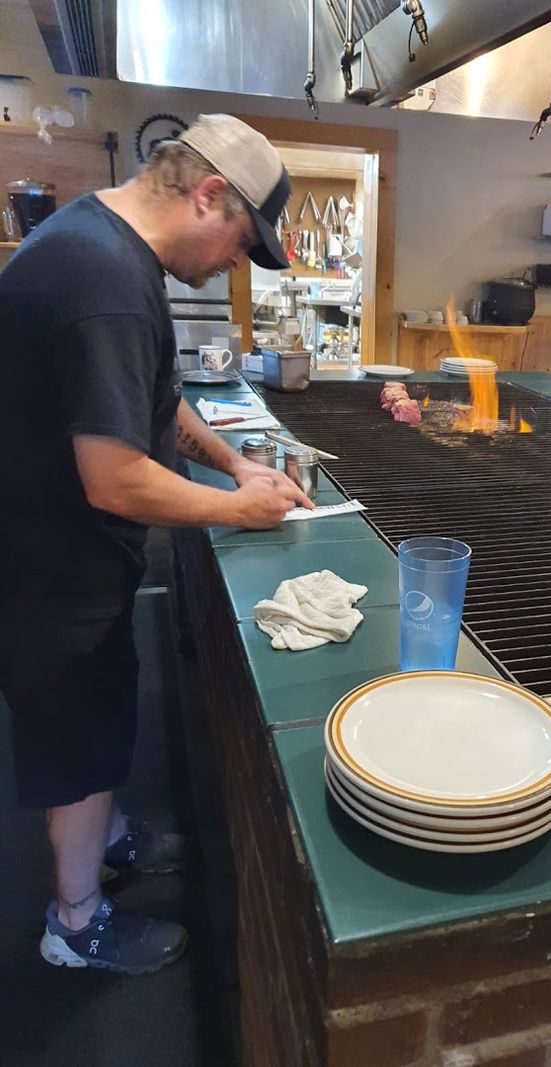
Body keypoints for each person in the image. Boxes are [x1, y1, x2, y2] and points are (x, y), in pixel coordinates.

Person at [0, 114, 313, 975]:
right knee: (76, 741)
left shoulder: (110, 247)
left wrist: (233, 466)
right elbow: (113, 476)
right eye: (240, 246)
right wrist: (236, 512)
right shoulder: (98, 277)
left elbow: (156, 399)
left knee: (102, 724)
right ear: (210, 194)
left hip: (77, 559)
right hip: (48, 571)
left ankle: (111, 834)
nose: (232, 266)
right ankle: (75, 921)